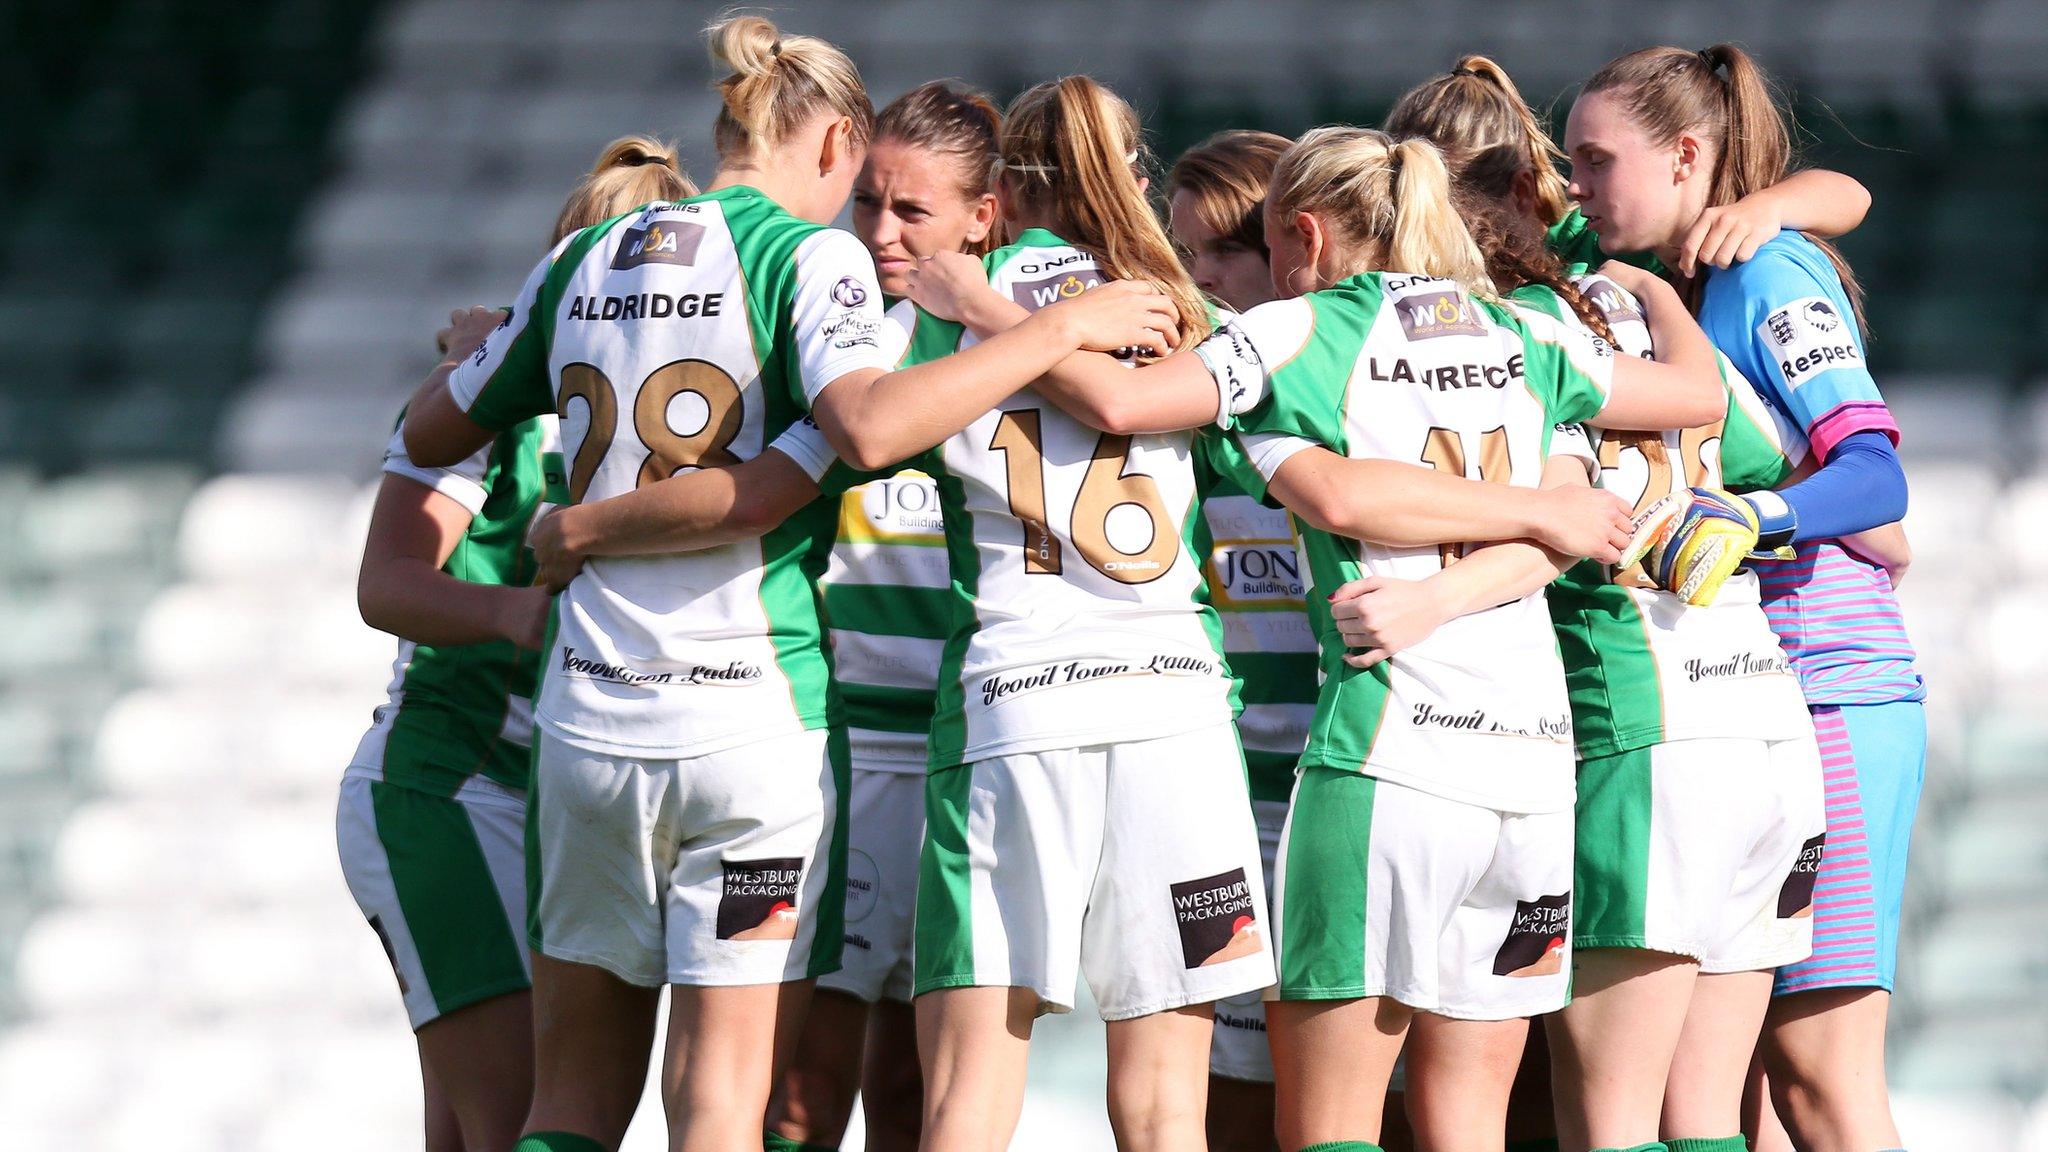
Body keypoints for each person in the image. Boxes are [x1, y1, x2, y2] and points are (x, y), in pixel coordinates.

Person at [397, 19, 1177, 1152]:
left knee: (567, 1102)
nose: (871, 220)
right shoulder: (809, 262)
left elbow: (428, 428)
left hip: (587, 714)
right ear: (840, 143)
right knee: (720, 1101)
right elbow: (856, 430)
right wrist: (1057, 325)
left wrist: (515, 397)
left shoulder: (579, 257)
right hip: (750, 721)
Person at [910, 125, 1729, 1152]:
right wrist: (1649, 296)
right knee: (1466, 1122)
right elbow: (1695, 399)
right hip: (1528, 769)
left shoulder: (1294, 334)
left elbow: (1123, 401)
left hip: (1383, 757)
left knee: (1326, 1127)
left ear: (1299, 232)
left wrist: (984, 308)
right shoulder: (1526, 333)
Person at [1566, 44, 1923, 1152]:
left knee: (1819, 1073)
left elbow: (1874, 477)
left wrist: (1754, 516)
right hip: (1740, 700)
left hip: (1830, 689)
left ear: (1682, 156)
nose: (1576, 186)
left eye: (1594, 161)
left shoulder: (1766, 273)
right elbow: (1841, 191)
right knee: (1751, 1090)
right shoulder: (1644, 267)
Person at [335, 136, 694, 1152]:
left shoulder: (698, 417)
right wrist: (524, 616)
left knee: (474, 1134)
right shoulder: (487, 408)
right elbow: (388, 582)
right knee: (529, 1125)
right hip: (452, 793)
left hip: (554, 803)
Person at [766, 79, 1002, 1152]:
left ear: (980, 218)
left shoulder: (1027, 348)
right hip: (847, 751)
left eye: (912, 211)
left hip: (975, 748)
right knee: (805, 1089)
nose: (878, 231)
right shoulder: (833, 345)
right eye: (868, 202)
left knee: (916, 1087)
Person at [1163, 126, 1311, 1152]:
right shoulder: (1165, 409)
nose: (1200, 279)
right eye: (1182, 251)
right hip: (1223, 803)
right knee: (1232, 1103)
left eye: (1225, 248)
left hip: (1358, 786)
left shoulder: (1353, 387)